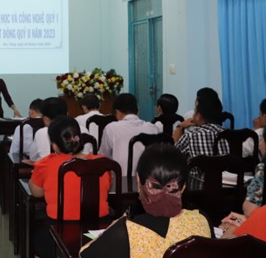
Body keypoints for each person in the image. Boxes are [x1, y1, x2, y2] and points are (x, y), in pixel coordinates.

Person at [80, 144, 212, 257]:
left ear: (138, 180)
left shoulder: (126, 232)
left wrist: (115, 226)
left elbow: (85, 254)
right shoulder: (201, 220)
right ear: (182, 188)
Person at [28, 117, 112, 258]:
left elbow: (36, 193)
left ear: (55, 146)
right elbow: (106, 188)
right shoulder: (103, 162)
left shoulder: (46, 164)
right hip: (99, 228)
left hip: (59, 229)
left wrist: (34, 176)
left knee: (37, 237)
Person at [99, 93, 160, 176]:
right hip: (149, 181)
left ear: (117, 112)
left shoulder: (111, 128)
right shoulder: (154, 128)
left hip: (120, 180)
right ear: (138, 111)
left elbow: (104, 157)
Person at [174, 92, 229, 176]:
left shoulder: (190, 136)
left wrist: (180, 126)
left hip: (197, 182)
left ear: (199, 116)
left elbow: (172, 157)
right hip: (225, 182)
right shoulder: (228, 134)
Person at [32, 97, 69, 161]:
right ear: (67, 114)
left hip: (50, 166)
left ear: (46, 119)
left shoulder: (42, 132)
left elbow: (32, 157)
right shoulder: (81, 129)